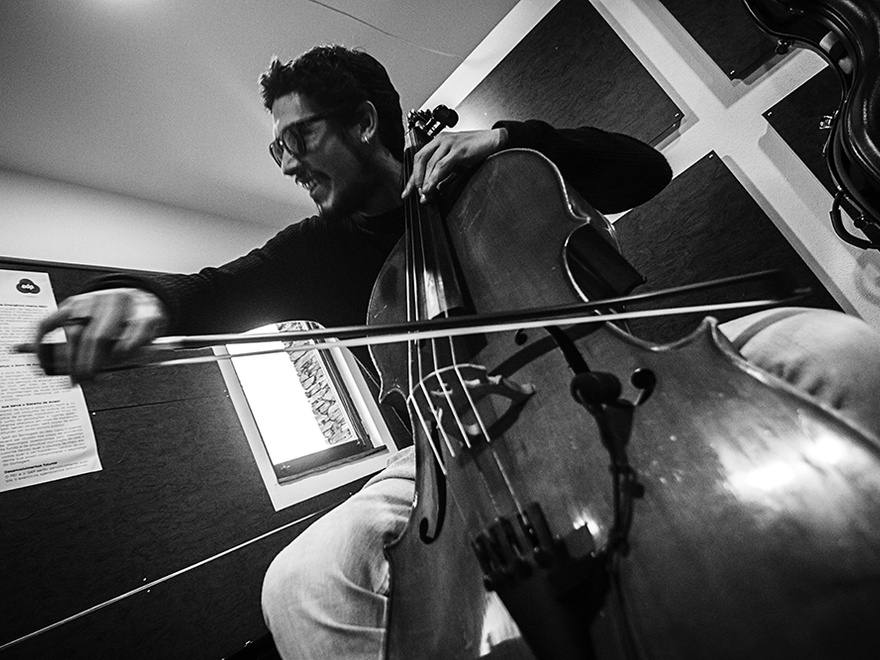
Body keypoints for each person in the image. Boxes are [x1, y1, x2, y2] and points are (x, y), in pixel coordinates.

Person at [29, 45, 880, 659]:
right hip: (449, 445)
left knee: (830, 345)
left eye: (300, 138)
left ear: (365, 122)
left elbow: (641, 173)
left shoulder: (491, 170)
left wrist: (511, 138)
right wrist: (143, 298)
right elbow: (212, 291)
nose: (287, 163)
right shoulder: (310, 251)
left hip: (609, 367)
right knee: (300, 583)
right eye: (277, 148)